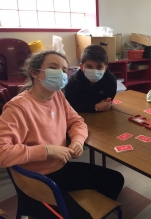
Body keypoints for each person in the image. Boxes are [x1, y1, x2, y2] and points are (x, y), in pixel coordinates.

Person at [0, 51, 124, 219]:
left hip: (59, 169)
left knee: (115, 179)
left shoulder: (57, 96)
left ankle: (78, 207)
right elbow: (2, 152)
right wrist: (47, 150)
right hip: (36, 182)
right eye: (53, 67)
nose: (61, 73)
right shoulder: (17, 108)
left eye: (64, 70)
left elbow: (77, 122)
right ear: (35, 72)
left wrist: (78, 142)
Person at [65, 44, 117, 113]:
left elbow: (107, 103)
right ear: (81, 67)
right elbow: (70, 105)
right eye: (89, 67)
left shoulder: (111, 80)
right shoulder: (72, 82)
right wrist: (95, 107)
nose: (94, 71)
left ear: (105, 68)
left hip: (103, 115)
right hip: (79, 116)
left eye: (99, 67)